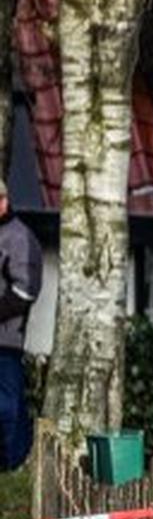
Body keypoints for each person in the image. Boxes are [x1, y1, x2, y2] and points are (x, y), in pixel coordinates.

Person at [0, 180, 42, 469]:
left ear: (3, 201)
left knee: (7, 408)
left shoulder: (19, 238)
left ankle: (12, 465)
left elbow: (25, 291)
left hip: (6, 341)